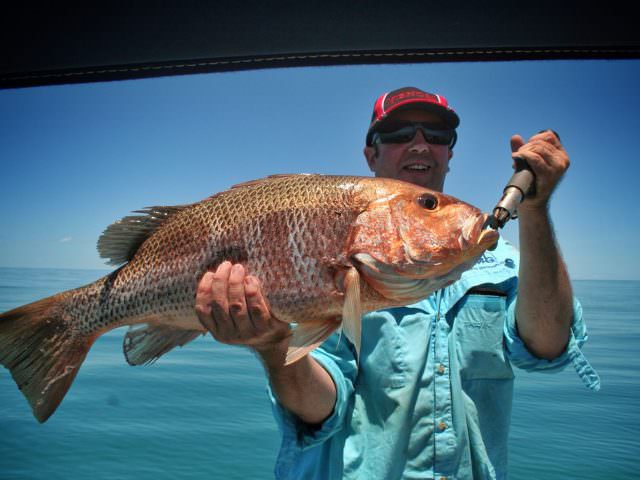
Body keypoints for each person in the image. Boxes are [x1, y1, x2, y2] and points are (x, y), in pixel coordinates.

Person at [194, 87, 600, 479]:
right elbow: (321, 409)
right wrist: (272, 347)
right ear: (372, 154)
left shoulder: (505, 263)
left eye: (437, 135)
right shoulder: (348, 271)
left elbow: (548, 345)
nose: (421, 144)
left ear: (449, 153)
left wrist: (536, 210)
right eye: (399, 134)